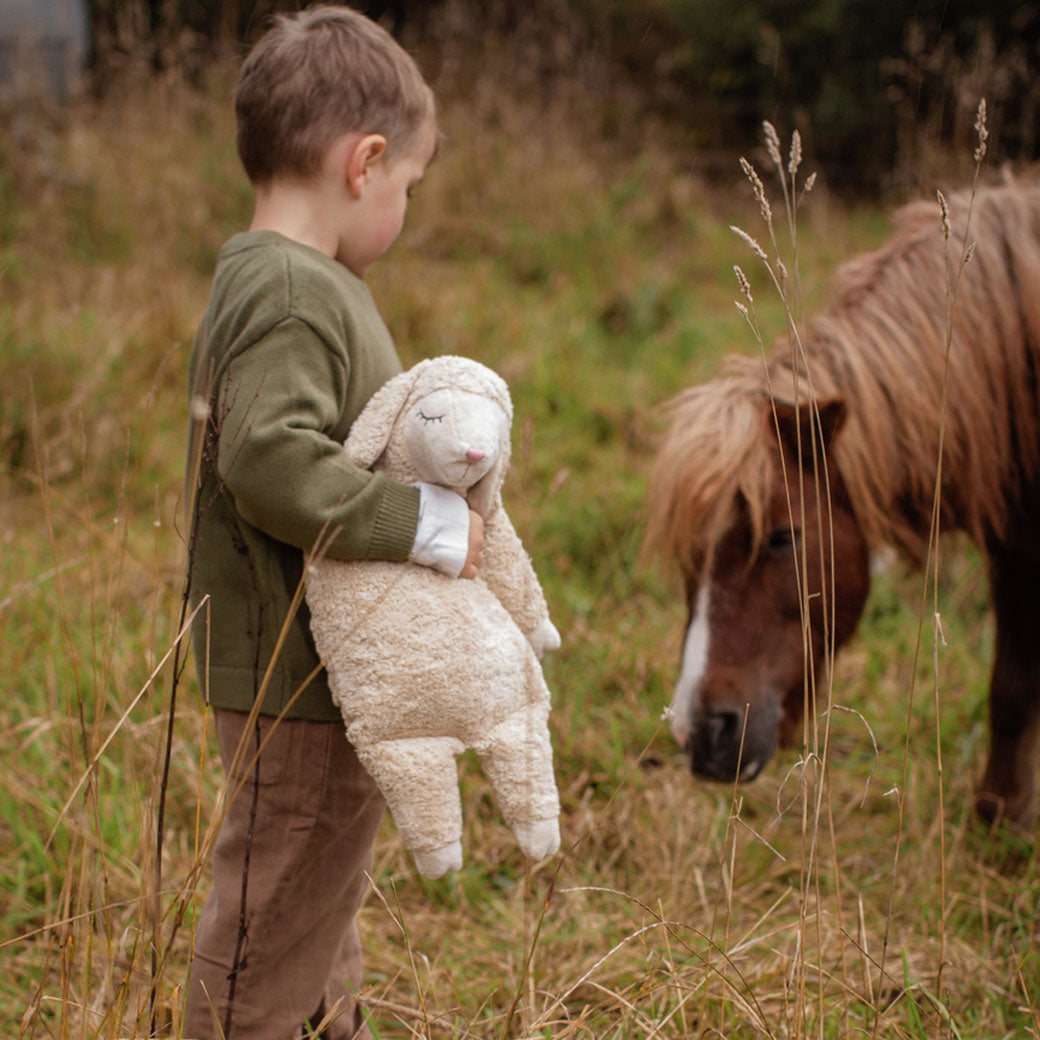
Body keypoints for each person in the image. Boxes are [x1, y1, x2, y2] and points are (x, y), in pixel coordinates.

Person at [180, 7, 482, 1038]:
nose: (404, 206)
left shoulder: (290, 279)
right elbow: (265, 458)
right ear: (364, 162)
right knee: (271, 919)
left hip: (321, 671)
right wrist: (421, 520)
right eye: (408, 185)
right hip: (295, 677)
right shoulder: (294, 292)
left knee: (313, 901)